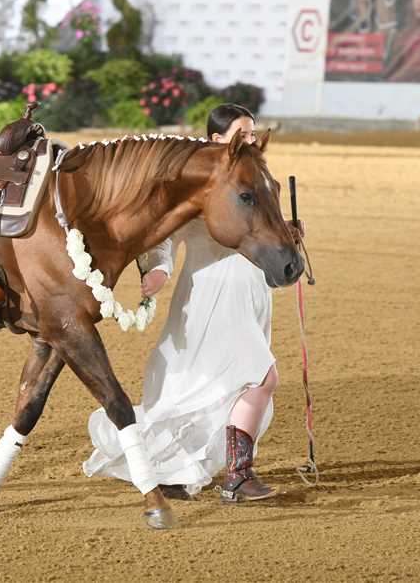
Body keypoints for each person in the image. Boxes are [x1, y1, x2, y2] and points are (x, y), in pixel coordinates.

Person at [83, 103, 297, 502]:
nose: (250, 140)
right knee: (260, 378)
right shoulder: (200, 186)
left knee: (221, 388)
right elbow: (165, 235)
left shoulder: (253, 179)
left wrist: (287, 235)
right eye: (241, 135)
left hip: (250, 295)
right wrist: (159, 269)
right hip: (213, 298)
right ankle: (238, 476)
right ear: (216, 140)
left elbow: (264, 226)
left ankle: (180, 469)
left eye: (252, 133)